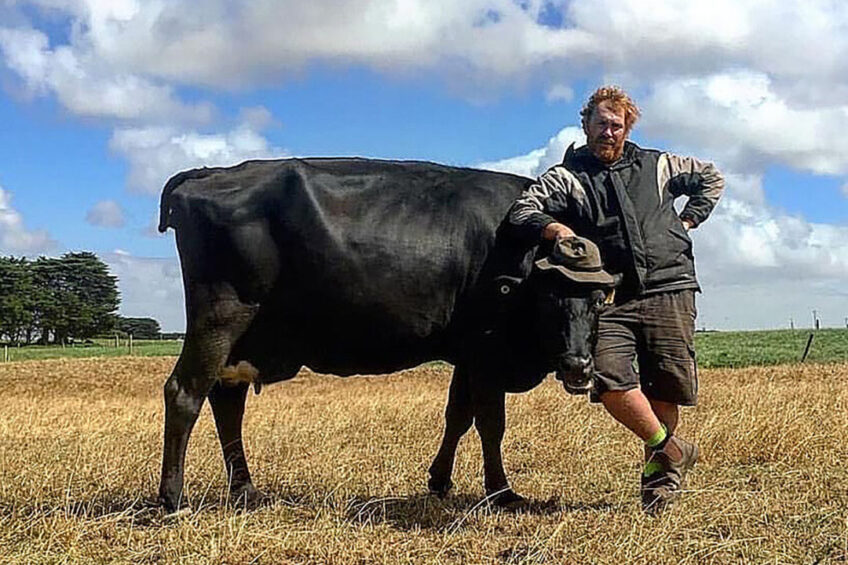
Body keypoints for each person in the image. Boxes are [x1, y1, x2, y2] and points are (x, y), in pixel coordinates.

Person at [505, 85, 724, 513]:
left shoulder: (659, 164)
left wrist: (687, 221)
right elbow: (523, 211)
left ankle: (658, 487)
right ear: (585, 124)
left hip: (670, 285)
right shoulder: (567, 176)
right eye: (601, 123)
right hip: (611, 294)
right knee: (607, 378)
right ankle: (671, 448)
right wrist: (559, 231)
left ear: (628, 129)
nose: (608, 132)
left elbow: (711, 178)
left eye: (616, 125)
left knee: (665, 386)